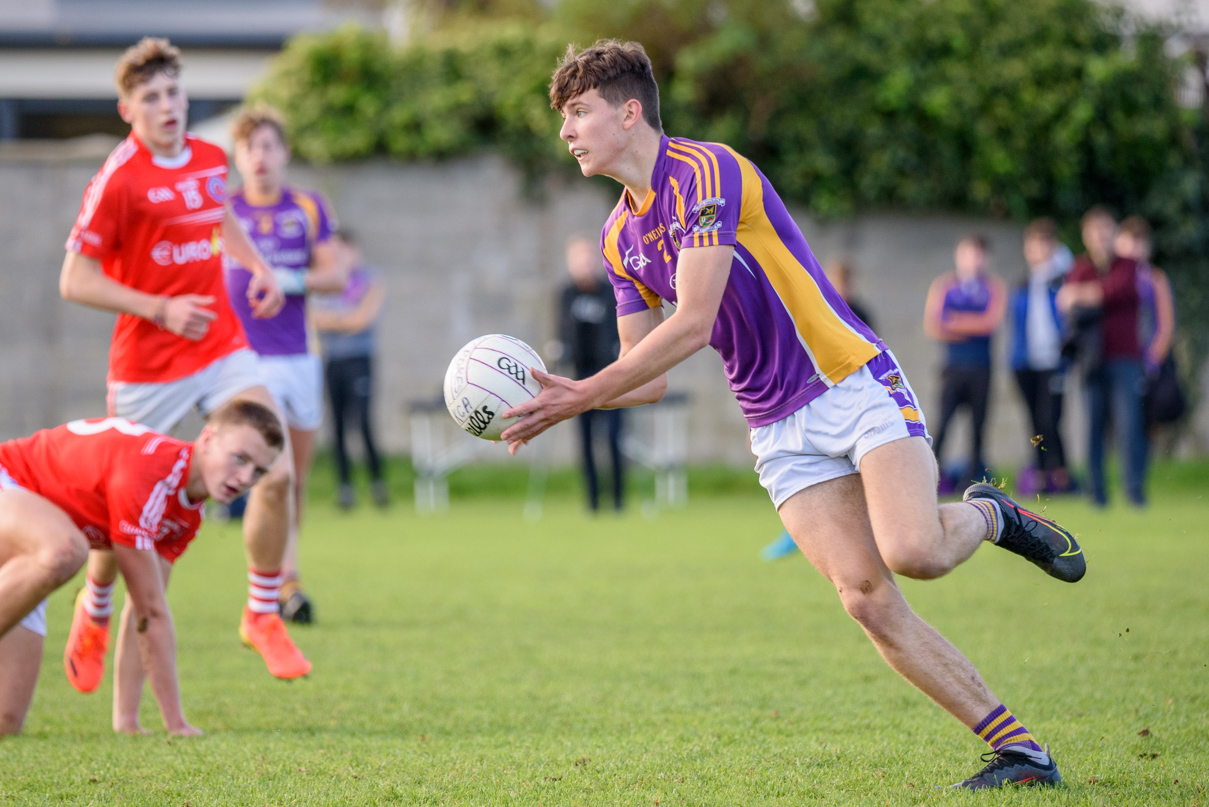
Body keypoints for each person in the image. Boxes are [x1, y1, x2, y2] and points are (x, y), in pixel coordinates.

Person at [502, 40, 1085, 789]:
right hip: (775, 427)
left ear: (629, 110)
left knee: (915, 551)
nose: (566, 132)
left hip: (847, 380)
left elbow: (693, 319)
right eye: (564, 118)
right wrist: (563, 401)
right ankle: (1021, 752)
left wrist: (581, 393)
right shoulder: (619, 238)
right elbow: (641, 375)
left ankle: (991, 515)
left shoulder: (707, 171)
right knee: (865, 600)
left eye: (577, 112)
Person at [57, 38, 310, 681]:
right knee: (125, 515)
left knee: (275, 472)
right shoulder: (117, 179)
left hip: (222, 346)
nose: (166, 106)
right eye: (151, 98)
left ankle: (261, 613)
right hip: (147, 368)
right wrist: (158, 307)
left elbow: (219, 213)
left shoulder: (207, 155)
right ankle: (94, 606)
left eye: (173, 92)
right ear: (127, 110)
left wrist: (258, 269)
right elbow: (75, 280)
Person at [0, 401, 283, 735]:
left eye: (259, 471)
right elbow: (152, 612)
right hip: (10, 483)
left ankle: (124, 715)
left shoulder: (187, 513)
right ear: (208, 438)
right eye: (240, 458)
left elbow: (144, 611)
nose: (246, 477)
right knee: (67, 551)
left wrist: (127, 720)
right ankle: (93, 609)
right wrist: (176, 723)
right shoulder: (151, 474)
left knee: (6, 723)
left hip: (25, 546)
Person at [226, 104, 349, 623]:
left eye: (269, 146)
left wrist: (283, 279)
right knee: (270, 476)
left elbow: (336, 275)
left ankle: (280, 579)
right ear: (238, 156)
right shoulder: (223, 211)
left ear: (285, 153)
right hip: (245, 363)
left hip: (300, 357)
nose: (260, 157)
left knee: (294, 480)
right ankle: (281, 586)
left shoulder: (307, 207)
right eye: (251, 147)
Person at [761, 255, 875, 560]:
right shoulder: (809, 307)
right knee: (803, 467)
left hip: (849, 397)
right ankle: (796, 533)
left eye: (843, 283)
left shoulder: (860, 312)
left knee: (853, 468)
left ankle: (863, 528)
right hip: (812, 397)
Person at [1057, 207, 1146, 507]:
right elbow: (1067, 306)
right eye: (1095, 231)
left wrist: (1081, 294)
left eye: (1106, 230)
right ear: (1086, 235)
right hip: (1091, 360)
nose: (1100, 237)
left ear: (1114, 232)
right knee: (1093, 427)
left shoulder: (1129, 265)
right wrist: (1085, 296)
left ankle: (1133, 491)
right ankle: (1097, 494)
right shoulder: (1080, 267)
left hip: (1125, 358)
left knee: (1128, 426)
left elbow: (1115, 291)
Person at [311, 230, 388, 509]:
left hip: (360, 359)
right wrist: (342, 319)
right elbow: (312, 319)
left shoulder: (371, 279)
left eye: (345, 251)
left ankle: (378, 485)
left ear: (355, 250)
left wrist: (335, 320)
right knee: (338, 428)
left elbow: (361, 319)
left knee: (363, 424)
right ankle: (345, 489)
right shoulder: (328, 282)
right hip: (332, 361)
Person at [923, 235, 1007, 492]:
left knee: (978, 428)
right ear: (958, 256)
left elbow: (989, 323)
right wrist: (971, 323)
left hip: (981, 368)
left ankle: (972, 482)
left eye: (978, 254)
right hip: (953, 368)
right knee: (943, 424)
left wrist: (954, 321)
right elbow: (934, 325)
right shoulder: (945, 286)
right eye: (967, 253)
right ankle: (930, 479)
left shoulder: (993, 287)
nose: (973, 259)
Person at [556, 235, 625, 512]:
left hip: (610, 376)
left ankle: (618, 500)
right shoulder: (565, 294)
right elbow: (561, 329)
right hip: (578, 377)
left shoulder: (609, 291)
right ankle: (593, 501)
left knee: (612, 438)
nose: (584, 264)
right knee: (585, 443)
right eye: (578, 259)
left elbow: (618, 325)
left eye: (588, 258)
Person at [1009, 219, 1075, 496]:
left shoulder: (1061, 282)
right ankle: (1039, 473)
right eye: (1034, 244)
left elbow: (1069, 322)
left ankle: (1061, 473)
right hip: (1025, 363)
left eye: (1045, 243)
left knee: (1051, 419)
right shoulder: (1022, 284)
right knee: (1034, 421)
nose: (1039, 249)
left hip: (1053, 362)